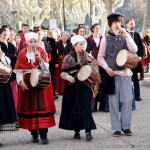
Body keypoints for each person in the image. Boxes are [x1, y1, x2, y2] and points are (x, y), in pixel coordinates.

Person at [97, 13, 137, 136]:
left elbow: (134, 50)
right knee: (113, 102)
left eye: (119, 22)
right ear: (110, 24)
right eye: (115, 22)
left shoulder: (126, 37)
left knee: (127, 100)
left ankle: (126, 126)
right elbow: (100, 58)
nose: (117, 24)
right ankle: (116, 128)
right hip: (111, 74)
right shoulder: (105, 39)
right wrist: (106, 68)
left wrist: (127, 36)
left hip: (125, 73)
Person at [14, 32, 56, 144]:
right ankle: (33, 134)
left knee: (41, 108)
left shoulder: (42, 52)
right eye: (31, 42)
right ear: (26, 43)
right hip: (28, 83)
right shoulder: (22, 54)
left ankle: (44, 134)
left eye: (35, 41)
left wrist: (40, 59)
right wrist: (20, 81)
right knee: (30, 109)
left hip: (40, 84)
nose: (33, 44)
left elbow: (46, 68)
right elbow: (19, 71)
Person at [59, 35, 97, 141]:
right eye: (80, 44)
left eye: (84, 44)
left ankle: (88, 131)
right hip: (72, 86)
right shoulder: (68, 57)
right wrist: (69, 77)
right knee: (74, 108)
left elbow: (94, 68)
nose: (83, 46)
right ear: (74, 45)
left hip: (84, 85)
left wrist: (90, 62)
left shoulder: (87, 55)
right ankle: (76, 130)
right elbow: (63, 73)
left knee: (85, 108)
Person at [0, 29, 19, 147]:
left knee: (1, 109)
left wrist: (1, 54)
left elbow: (8, 63)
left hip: (2, 83)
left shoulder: (3, 47)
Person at [126, 18, 144, 101]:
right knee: (127, 79)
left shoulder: (137, 35)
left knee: (135, 79)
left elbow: (141, 47)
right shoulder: (124, 34)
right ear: (127, 25)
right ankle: (128, 96)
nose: (133, 25)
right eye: (131, 23)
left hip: (135, 61)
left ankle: (137, 96)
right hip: (125, 61)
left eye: (133, 23)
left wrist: (140, 56)